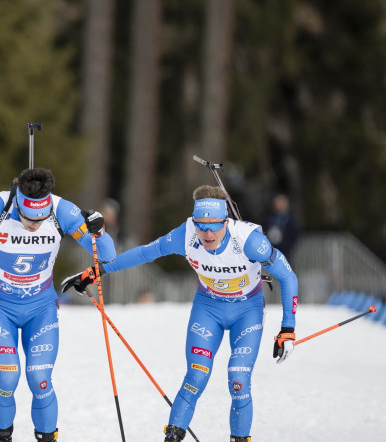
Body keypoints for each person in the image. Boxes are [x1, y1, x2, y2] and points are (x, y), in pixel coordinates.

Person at [62, 185, 299, 442]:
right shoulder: (185, 235)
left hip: (247, 311)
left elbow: (287, 277)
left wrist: (287, 329)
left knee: (238, 379)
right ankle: (173, 437)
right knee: (196, 376)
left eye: (214, 226)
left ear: (226, 221)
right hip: (208, 308)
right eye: (201, 226)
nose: (207, 233)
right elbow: (145, 253)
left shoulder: (249, 240)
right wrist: (97, 271)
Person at [0, 168, 113, 442]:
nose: (35, 225)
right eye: (28, 219)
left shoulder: (61, 210)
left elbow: (107, 256)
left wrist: (99, 232)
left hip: (40, 308)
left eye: (41, 220)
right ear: (18, 202)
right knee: (7, 379)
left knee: (40, 380)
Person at [265, 193, 299, 257]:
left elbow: (295, 233)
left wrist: (289, 244)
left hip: (285, 249)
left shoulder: (290, 218)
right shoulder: (270, 217)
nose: (279, 205)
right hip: (272, 248)